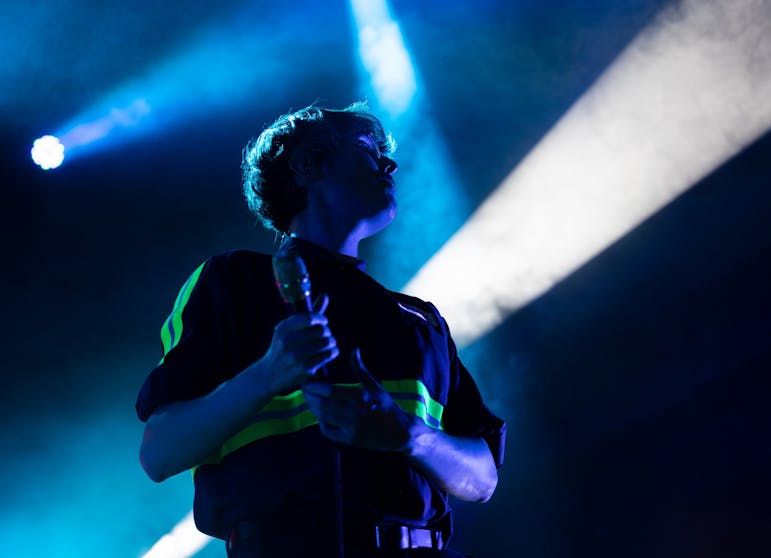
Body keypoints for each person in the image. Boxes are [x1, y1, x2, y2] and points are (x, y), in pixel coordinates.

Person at [136, 102, 506, 558]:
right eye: (367, 150)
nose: (389, 165)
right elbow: (159, 453)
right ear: (307, 165)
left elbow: (483, 480)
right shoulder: (233, 280)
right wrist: (267, 375)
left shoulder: (421, 319)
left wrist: (410, 436)